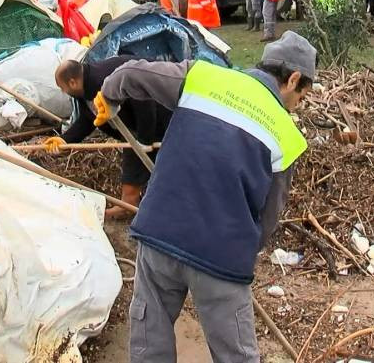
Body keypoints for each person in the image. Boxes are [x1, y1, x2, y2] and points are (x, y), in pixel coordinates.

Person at [94, 31, 316, 362]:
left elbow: (131, 73)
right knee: (235, 354)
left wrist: (109, 95)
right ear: (293, 79)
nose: (296, 105)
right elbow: (267, 220)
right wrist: (239, 251)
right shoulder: (288, 137)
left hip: (159, 235)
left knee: (148, 342)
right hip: (221, 258)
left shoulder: (202, 77)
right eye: (301, 96)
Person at [46, 57, 173, 219]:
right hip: (136, 126)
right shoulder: (85, 87)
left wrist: (144, 140)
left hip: (160, 116)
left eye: (62, 88)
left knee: (145, 158)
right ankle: (134, 203)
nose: (64, 92)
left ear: (72, 82)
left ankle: (132, 206)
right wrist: (64, 139)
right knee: (136, 159)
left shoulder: (104, 80)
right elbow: (88, 119)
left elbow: (144, 102)